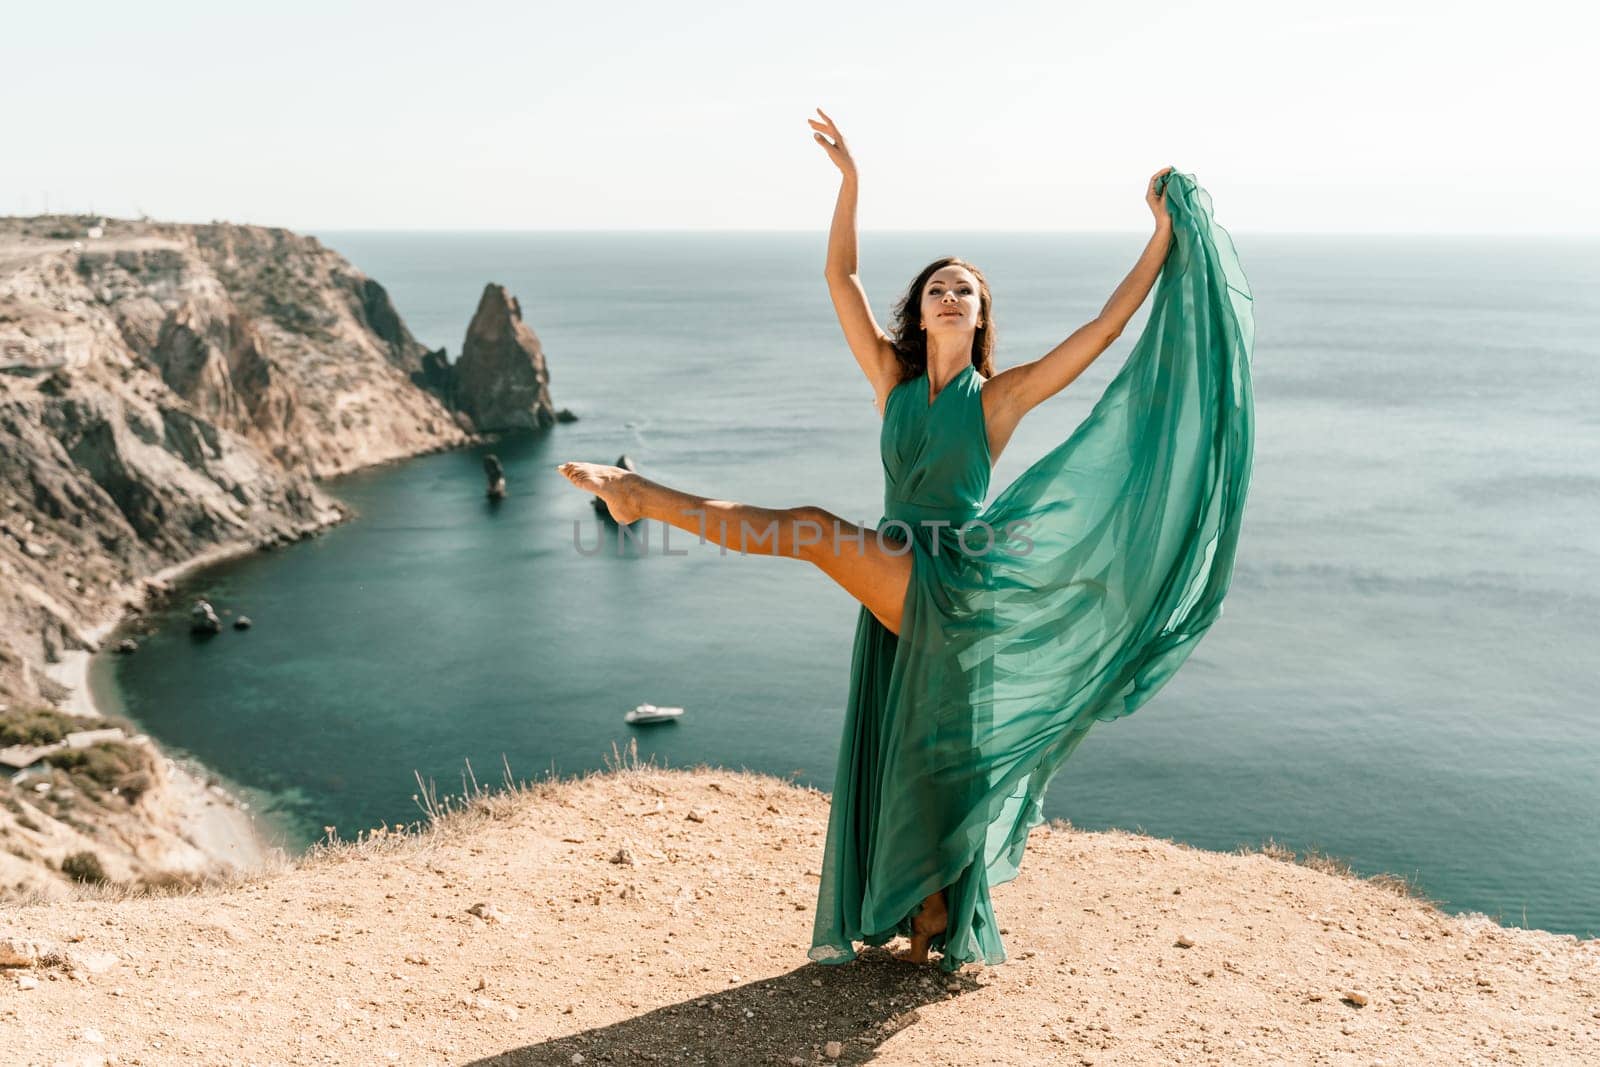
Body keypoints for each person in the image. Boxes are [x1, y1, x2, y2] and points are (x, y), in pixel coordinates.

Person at [556, 108, 1255, 971]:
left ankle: (638, 498)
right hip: (894, 569)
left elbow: (1105, 331)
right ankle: (926, 910)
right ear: (920, 315)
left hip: (953, 581)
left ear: (981, 313)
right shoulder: (890, 379)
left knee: (816, 541)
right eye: (937, 288)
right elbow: (840, 276)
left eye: (965, 288)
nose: (951, 295)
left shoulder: (1000, 398)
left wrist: (1159, 238)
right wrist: (852, 183)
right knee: (914, 752)